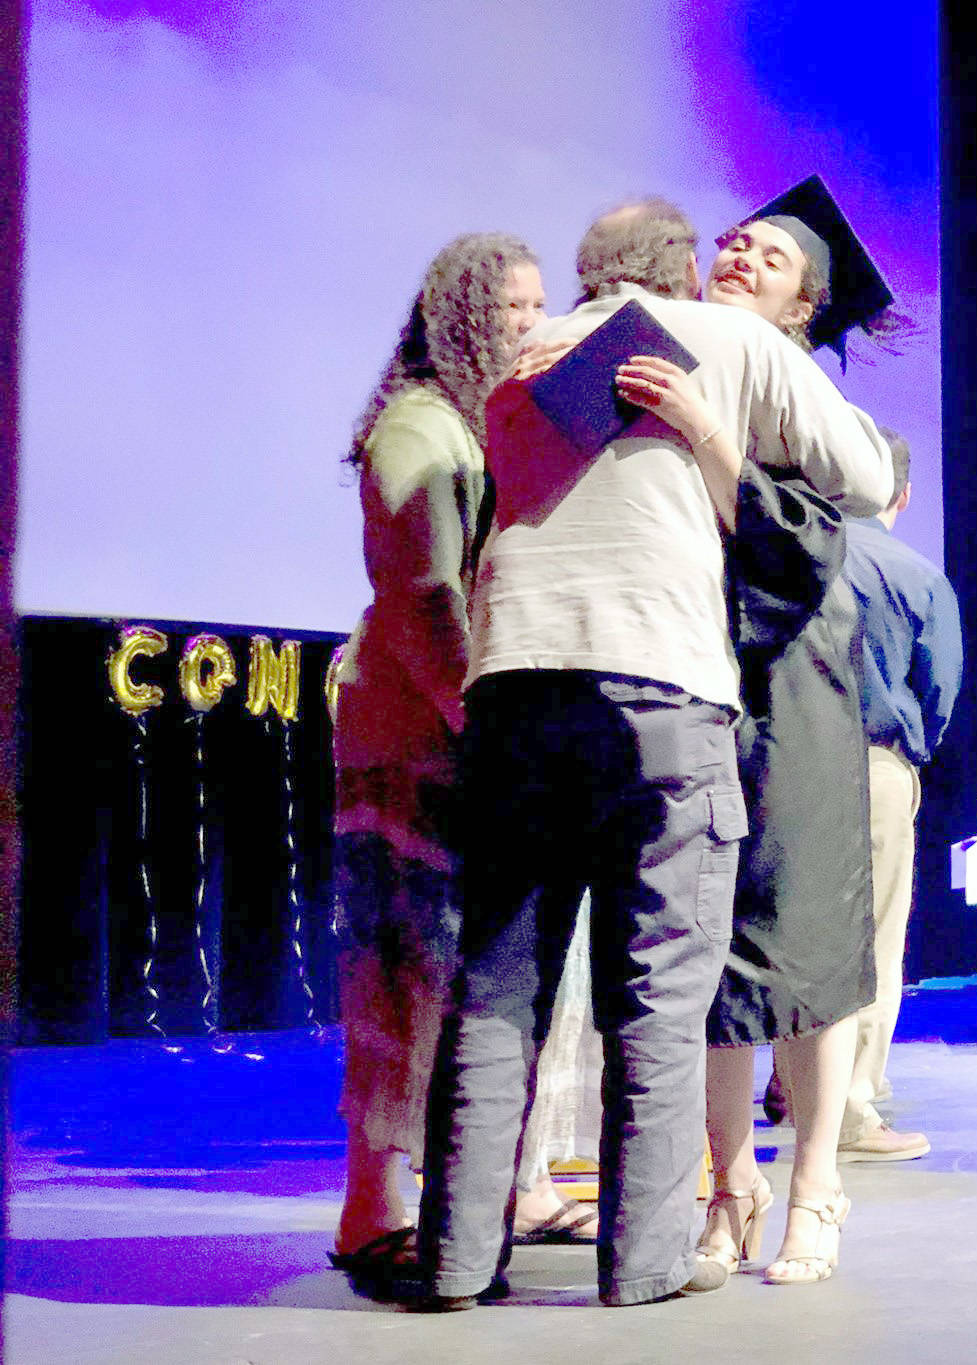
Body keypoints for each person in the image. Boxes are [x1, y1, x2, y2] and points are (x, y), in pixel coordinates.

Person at [414, 199, 891, 1310]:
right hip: (659, 695)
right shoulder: (727, 342)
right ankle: (644, 1262)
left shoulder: (524, 358)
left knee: (495, 989)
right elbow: (866, 478)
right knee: (659, 993)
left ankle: (451, 1259)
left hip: (515, 688)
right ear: (681, 271)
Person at [680, 177, 905, 1286]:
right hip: (692, 678)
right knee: (711, 952)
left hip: (799, 684)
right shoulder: (670, 371)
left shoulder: (811, 415)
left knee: (805, 946)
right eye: (727, 242)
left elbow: (799, 545)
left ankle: (816, 1183)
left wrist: (712, 444)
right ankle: (730, 1183)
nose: (735, 254)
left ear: (806, 305)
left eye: (765, 254)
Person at [327, 232, 546, 1293]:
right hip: (415, 735)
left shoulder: (477, 424)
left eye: (539, 306)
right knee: (400, 966)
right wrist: (481, 724)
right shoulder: (420, 428)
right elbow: (425, 604)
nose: (531, 325)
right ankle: (374, 1211)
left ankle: (437, 1201)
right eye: (512, 309)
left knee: (434, 968)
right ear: (462, 317)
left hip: (442, 731)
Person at [836, 426, 962, 1162]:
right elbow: (938, 689)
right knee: (875, 938)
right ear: (904, 495)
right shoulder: (916, 575)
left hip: (780, 763)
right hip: (878, 762)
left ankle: (793, 1082)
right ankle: (852, 1101)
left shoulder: (792, 559)